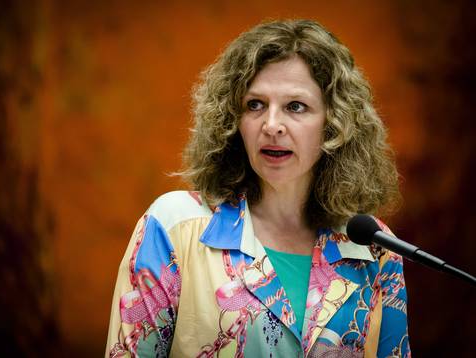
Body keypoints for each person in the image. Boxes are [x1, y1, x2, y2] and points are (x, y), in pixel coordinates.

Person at [106, 19, 410, 358]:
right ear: (233, 120)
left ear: (334, 123)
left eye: (296, 106)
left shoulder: (373, 246)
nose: (272, 125)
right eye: (255, 105)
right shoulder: (176, 226)